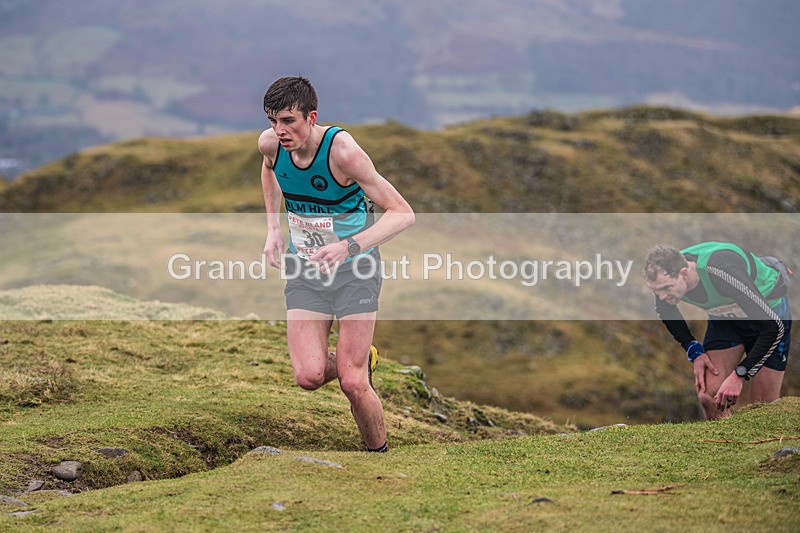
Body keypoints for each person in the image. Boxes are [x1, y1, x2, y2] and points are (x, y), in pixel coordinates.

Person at [258, 76, 414, 452]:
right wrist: (273, 229)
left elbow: (402, 213)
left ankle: (378, 454)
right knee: (308, 376)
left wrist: (349, 247)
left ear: (312, 117)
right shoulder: (270, 144)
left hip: (355, 272)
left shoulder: (343, 154)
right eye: (273, 120)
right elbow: (269, 170)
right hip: (305, 269)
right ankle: (358, 360)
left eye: (289, 121)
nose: (279, 131)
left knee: (352, 381)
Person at [644, 242, 792, 420]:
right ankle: (727, 444)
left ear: (684, 273)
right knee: (709, 396)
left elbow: (774, 328)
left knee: (762, 410)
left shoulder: (721, 271)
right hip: (725, 320)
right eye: (656, 291)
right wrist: (693, 349)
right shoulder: (664, 275)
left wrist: (740, 374)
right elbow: (665, 311)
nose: (661, 297)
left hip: (768, 319)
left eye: (666, 289)